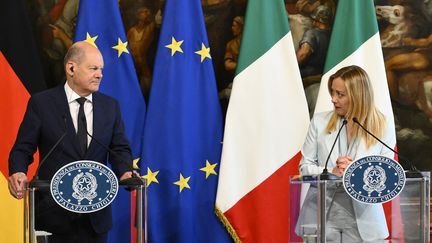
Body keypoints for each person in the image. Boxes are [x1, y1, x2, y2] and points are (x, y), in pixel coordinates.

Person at [8, 41, 136, 243]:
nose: (100, 75)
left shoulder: (110, 107)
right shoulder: (42, 104)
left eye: (101, 69)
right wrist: (18, 171)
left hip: (95, 216)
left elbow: (119, 148)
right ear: (71, 68)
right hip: (53, 215)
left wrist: (125, 171)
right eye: (93, 68)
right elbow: (23, 148)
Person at [296, 65, 396, 242]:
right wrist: (330, 173)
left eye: (340, 95)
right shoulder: (320, 122)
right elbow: (305, 167)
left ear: (358, 96)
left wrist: (357, 172)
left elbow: (386, 175)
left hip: (365, 221)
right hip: (322, 218)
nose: (334, 99)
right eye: (332, 93)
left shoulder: (382, 126)